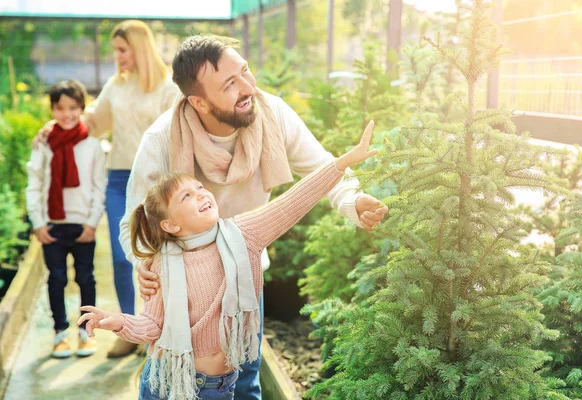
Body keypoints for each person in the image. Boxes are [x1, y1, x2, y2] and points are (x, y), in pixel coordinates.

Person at [120, 34, 388, 399]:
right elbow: (132, 222)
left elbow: (321, 170)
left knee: (244, 381)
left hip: (244, 278)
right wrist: (146, 262)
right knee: (167, 377)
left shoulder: (271, 113)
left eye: (245, 72)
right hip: (184, 286)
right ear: (197, 101)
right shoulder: (162, 139)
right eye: (230, 84)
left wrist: (352, 201)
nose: (248, 87)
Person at [78, 122, 378, 400]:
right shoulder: (163, 264)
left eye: (199, 188)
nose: (201, 195)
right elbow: (152, 326)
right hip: (169, 383)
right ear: (170, 225)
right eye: (186, 197)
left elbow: (293, 202)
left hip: (219, 387)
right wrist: (118, 322)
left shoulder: (244, 234)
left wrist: (341, 163)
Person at [35, 20, 181, 358]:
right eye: (115, 50)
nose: (116, 56)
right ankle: (129, 329)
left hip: (158, 183)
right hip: (119, 179)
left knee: (161, 257)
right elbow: (92, 123)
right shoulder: (116, 85)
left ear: (139, 48)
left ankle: (156, 330)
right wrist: (52, 126)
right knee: (121, 256)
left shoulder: (168, 87)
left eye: (121, 50)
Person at [26, 80, 107, 358]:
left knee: (86, 278)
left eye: (73, 108)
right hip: (52, 226)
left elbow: (99, 187)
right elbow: (34, 184)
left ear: (82, 108)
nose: (67, 114)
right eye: (60, 108)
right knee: (56, 278)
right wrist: (38, 222)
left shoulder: (93, 146)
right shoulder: (44, 145)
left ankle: (86, 332)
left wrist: (92, 222)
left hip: (83, 225)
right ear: (52, 110)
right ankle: (60, 332)